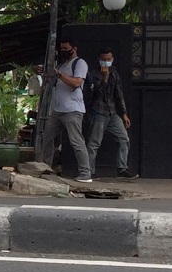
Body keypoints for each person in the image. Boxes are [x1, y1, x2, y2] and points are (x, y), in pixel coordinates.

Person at [40, 38, 92, 183]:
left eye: (65, 48)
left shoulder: (79, 63)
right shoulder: (62, 65)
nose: (63, 51)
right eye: (61, 49)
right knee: (47, 138)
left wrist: (59, 74)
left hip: (73, 109)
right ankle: (45, 168)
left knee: (76, 141)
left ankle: (85, 173)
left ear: (74, 48)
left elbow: (76, 83)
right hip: (58, 109)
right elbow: (53, 83)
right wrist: (45, 74)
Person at [86, 48, 137, 179]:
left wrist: (124, 114)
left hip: (112, 112)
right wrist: (104, 77)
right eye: (104, 59)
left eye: (109, 59)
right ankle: (89, 171)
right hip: (98, 111)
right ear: (99, 60)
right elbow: (97, 92)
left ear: (112, 59)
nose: (106, 62)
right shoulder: (94, 74)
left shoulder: (115, 74)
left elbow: (118, 94)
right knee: (94, 143)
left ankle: (122, 168)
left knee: (124, 139)